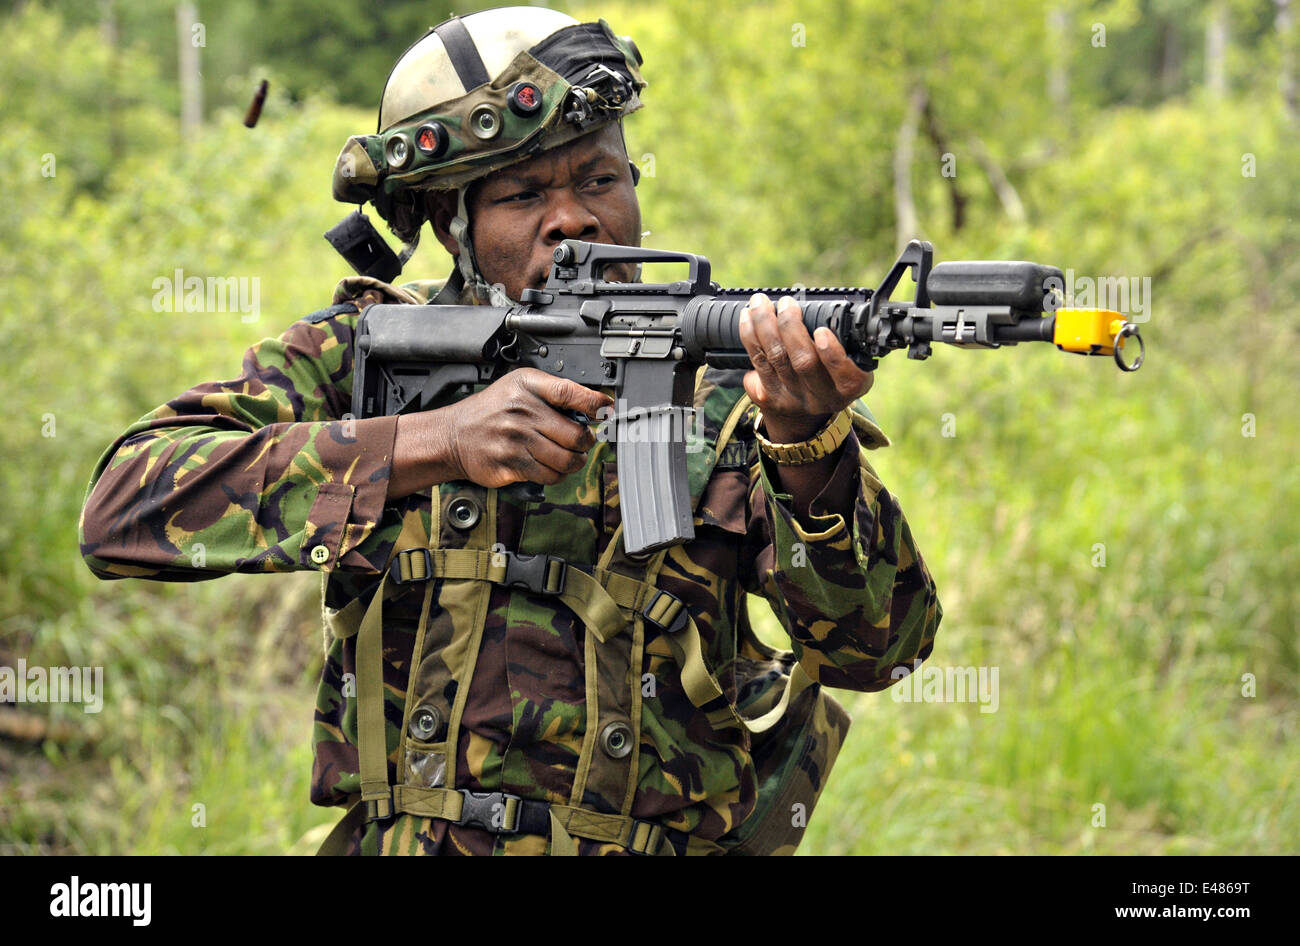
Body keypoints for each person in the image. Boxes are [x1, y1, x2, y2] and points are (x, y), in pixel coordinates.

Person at [79, 6, 942, 855]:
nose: (571, 218)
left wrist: (807, 448)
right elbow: (122, 511)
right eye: (524, 194)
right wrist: (436, 443)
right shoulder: (355, 359)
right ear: (451, 224)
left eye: (600, 180)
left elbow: (883, 654)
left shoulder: (730, 394)